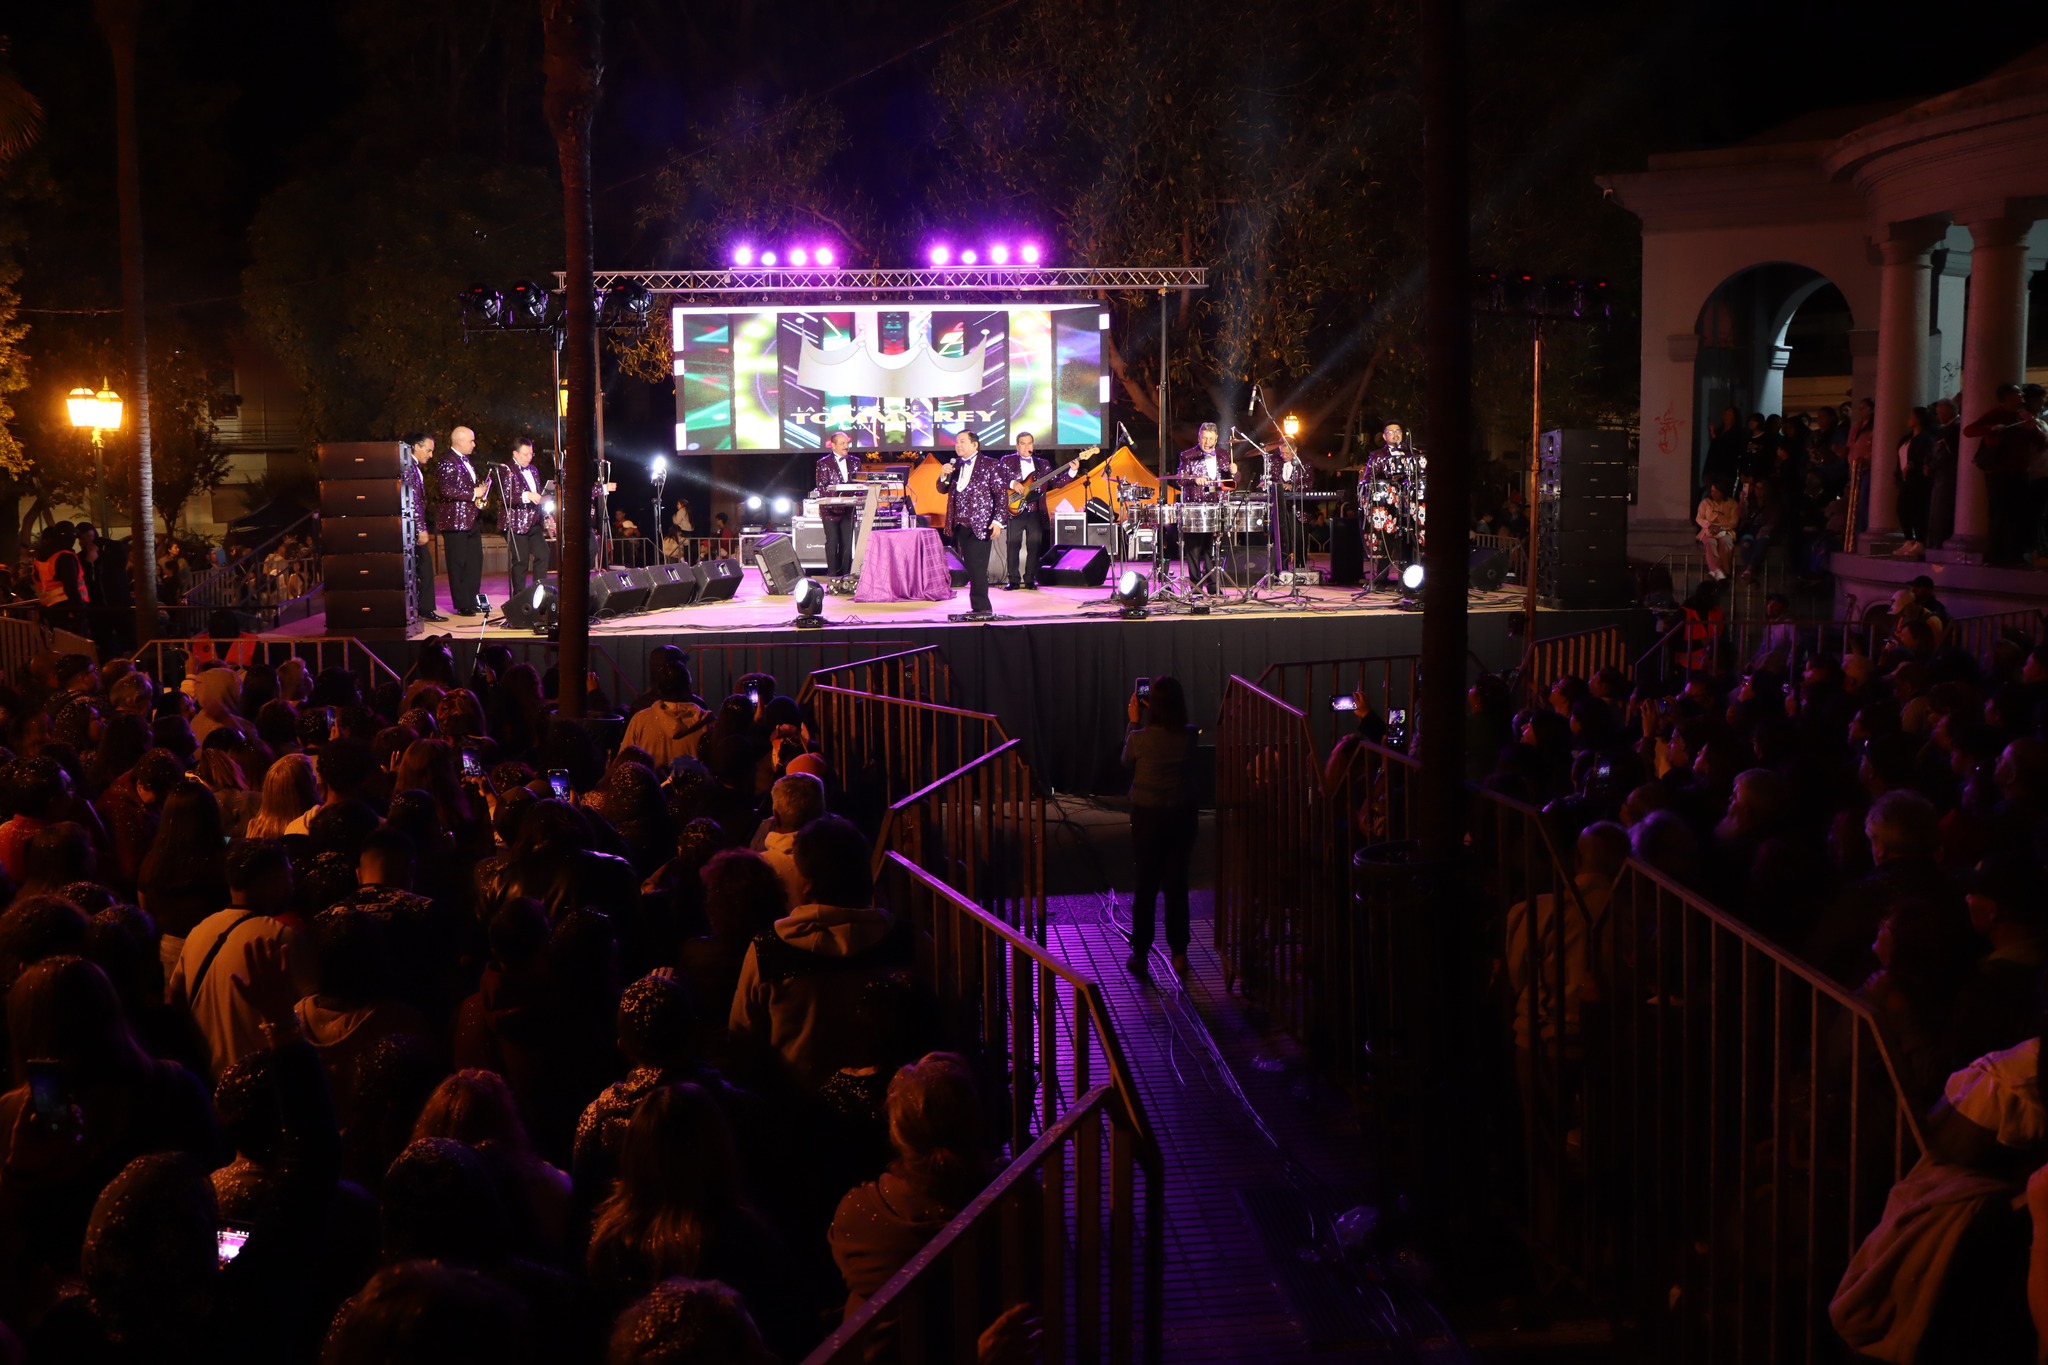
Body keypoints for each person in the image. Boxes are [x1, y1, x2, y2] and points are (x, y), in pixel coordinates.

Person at [1121, 675, 1199, 982]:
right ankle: (1179, 954)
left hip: (1148, 817)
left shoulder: (1139, 738)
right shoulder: (1189, 736)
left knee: (1146, 884)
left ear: (1149, 704)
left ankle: (1140, 954)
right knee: (1177, 885)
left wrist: (1133, 722)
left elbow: (1125, 760)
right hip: (1182, 815)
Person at [935, 429, 1007, 620]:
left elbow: (1001, 495)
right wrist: (943, 475)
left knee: (977, 566)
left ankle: (983, 608)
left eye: (962, 442)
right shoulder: (955, 465)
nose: (958, 445)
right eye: (956, 442)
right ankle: (978, 608)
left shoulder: (991, 465)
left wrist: (998, 521)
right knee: (971, 566)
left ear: (975, 445)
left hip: (981, 524)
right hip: (960, 524)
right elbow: (942, 489)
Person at [998, 432, 1078, 591]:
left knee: (1034, 546)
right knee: (1012, 545)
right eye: (1023, 443)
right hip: (1015, 510)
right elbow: (998, 478)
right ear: (1017, 446)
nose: (1027, 447)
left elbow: (1056, 483)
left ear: (1033, 445)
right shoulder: (1007, 461)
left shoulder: (1043, 464)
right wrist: (1013, 483)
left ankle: (1029, 579)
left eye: (1030, 443)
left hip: (1035, 511)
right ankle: (1013, 580)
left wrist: (1072, 472)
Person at [434, 425, 490, 618]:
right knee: (458, 563)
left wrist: (479, 491)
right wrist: (474, 492)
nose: (474, 444)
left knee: (475, 561)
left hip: (470, 518)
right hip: (455, 521)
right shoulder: (447, 462)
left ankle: (472, 599)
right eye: (471, 440)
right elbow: (446, 491)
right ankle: (462, 603)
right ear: (459, 441)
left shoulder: (466, 462)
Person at [1176, 422, 1229, 591]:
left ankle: (1213, 586)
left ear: (1216, 439)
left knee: (1212, 548)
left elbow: (1229, 483)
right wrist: (1193, 479)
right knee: (1194, 549)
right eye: (1204, 438)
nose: (1207, 442)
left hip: (1216, 506)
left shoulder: (1224, 455)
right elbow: (1180, 479)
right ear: (1199, 437)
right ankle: (1196, 587)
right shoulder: (1187, 455)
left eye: (1211, 439)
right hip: (1195, 508)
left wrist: (1235, 472)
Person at [502, 437, 549, 612]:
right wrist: (527, 495)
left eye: (531, 453)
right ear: (515, 453)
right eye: (526, 454)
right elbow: (506, 496)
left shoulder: (534, 470)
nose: (529, 457)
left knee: (543, 554)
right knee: (520, 561)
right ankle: (519, 599)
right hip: (516, 522)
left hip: (534, 522)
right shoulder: (506, 469)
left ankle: (540, 593)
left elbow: (537, 495)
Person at [403, 433, 447, 622]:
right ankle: (425, 608)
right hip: (412, 528)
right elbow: (413, 501)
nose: (430, 455)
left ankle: (422, 608)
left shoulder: (414, 467)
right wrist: (420, 528)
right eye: (428, 450)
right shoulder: (409, 467)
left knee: (420, 569)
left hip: (412, 526)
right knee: (425, 568)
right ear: (416, 446)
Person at [813, 429, 860, 578]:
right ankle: (833, 577)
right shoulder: (823, 463)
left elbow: (858, 485)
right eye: (842, 443)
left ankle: (846, 577)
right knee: (832, 542)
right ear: (833, 446)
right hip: (830, 510)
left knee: (847, 543)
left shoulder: (855, 462)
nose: (846, 446)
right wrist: (840, 495)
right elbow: (822, 487)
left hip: (849, 509)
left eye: (846, 443)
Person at [32, 522, 90, 637]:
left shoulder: (41, 558)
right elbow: (71, 586)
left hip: (49, 609)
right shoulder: (65, 556)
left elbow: (38, 580)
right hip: (69, 609)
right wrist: (79, 608)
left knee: (58, 644)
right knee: (75, 644)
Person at [1892, 406, 1935, 558]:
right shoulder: (1907, 438)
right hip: (1905, 480)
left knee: (1917, 510)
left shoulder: (1925, 438)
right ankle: (1909, 539)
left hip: (1917, 480)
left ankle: (1921, 541)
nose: (1909, 419)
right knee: (1902, 509)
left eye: (1912, 416)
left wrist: (1912, 465)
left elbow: (1923, 456)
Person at [1693, 480, 1737, 579]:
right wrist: (1709, 525)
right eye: (1712, 491)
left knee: (1725, 542)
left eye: (1717, 491)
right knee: (1710, 542)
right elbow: (1699, 518)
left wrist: (1720, 527)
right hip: (1709, 530)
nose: (1714, 494)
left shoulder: (1732, 503)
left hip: (1725, 530)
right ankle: (1716, 570)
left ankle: (1725, 571)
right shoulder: (1705, 503)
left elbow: (1734, 521)